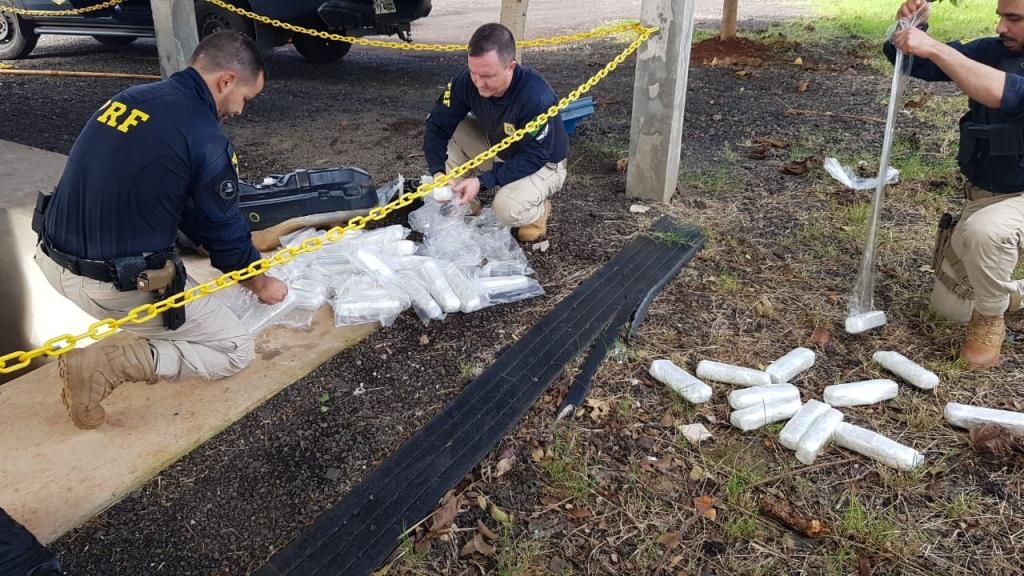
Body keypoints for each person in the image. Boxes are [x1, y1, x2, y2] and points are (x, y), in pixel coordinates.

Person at [34, 31, 288, 430]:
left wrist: (201, 241)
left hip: (50, 260)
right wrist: (260, 282)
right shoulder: (204, 136)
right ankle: (112, 363)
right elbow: (224, 232)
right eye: (245, 98)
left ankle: (134, 335)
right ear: (226, 81)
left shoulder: (130, 99)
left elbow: (166, 190)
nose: (240, 110)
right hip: (112, 285)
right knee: (234, 350)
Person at [887, 0, 1024, 368]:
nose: (1000, 28)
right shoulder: (994, 51)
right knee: (947, 310)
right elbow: (916, 63)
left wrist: (934, 47)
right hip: (985, 197)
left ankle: (990, 319)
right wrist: (909, 31)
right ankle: (1011, 294)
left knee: (985, 232)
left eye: (1014, 19)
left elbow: (1007, 94)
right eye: (1000, 17)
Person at [423, 22, 569, 242]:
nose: (478, 83)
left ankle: (538, 212)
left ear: (511, 67)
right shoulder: (467, 82)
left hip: (544, 163)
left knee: (505, 210)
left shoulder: (535, 96)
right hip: (500, 145)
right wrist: (438, 173)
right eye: (473, 73)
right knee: (452, 128)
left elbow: (536, 155)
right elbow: (437, 124)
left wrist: (483, 181)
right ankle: (464, 204)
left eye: (487, 76)